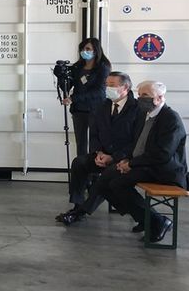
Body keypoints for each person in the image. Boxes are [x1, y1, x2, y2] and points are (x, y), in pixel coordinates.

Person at [58, 81, 187, 243]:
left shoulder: (170, 119)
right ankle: (148, 219)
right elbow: (138, 144)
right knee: (107, 180)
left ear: (160, 98)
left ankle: (155, 221)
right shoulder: (147, 114)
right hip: (145, 164)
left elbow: (162, 154)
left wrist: (130, 164)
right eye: (139, 94)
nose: (140, 98)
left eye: (145, 95)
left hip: (163, 170)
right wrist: (127, 160)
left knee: (115, 182)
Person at [56, 71, 140, 221]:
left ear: (125, 87)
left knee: (107, 176)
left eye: (112, 85)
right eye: (106, 85)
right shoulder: (102, 105)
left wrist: (113, 157)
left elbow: (137, 141)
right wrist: (99, 152)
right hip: (103, 153)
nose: (108, 88)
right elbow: (94, 133)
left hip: (125, 158)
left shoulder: (137, 108)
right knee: (79, 163)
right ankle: (77, 204)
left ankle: (81, 212)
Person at [62, 38, 111, 157]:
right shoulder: (77, 67)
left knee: (96, 142)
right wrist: (61, 78)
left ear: (96, 50)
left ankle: (95, 167)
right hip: (79, 110)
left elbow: (99, 91)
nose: (84, 51)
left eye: (88, 49)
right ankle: (81, 166)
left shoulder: (103, 67)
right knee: (81, 143)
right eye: (82, 49)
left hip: (96, 108)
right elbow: (68, 86)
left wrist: (74, 98)